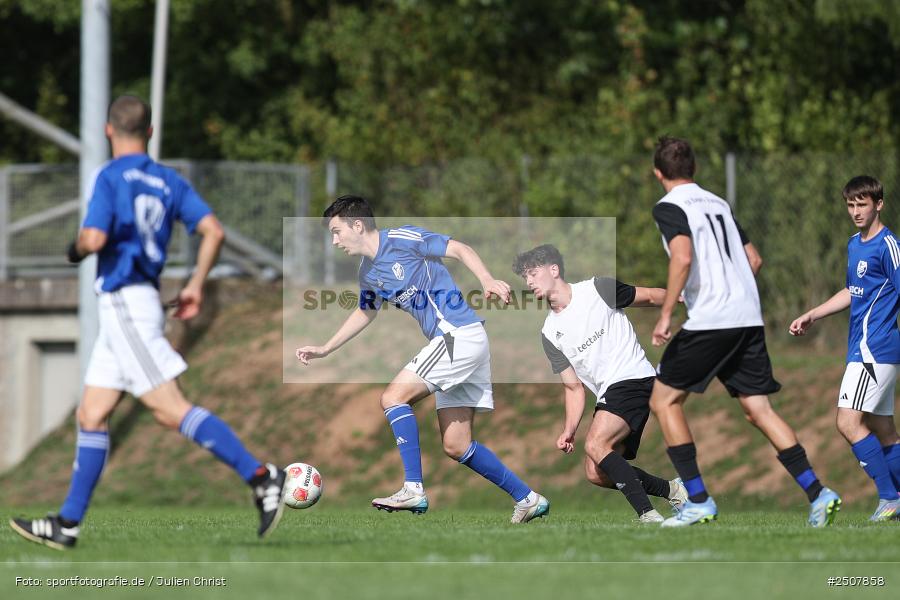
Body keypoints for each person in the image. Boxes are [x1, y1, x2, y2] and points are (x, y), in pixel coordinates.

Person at [9, 95, 286, 550]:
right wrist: (196, 283)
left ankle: (260, 475)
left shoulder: (111, 176)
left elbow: (94, 237)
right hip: (137, 302)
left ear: (107, 130)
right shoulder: (167, 181)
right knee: (92, 414)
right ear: (151, 132)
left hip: (124, 304)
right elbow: (213, 230)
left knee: (168, 407)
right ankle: (68, 523)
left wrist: (74, 250)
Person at [296, 196, 549, 523]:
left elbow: (459, 249)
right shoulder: (369, 272)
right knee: (457, 445)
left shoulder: (403, 239)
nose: (334, 241)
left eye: (336, 231)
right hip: (459, 342)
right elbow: (366, 311)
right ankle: (528, 498)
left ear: (357, 225)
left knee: (392, 397)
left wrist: (487, 279)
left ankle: (413, 488)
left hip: (457, 336)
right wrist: (326, 348)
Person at [648, 135, 840, 527]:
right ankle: (819, 493)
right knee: (759, 409)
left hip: (712, 321)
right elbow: (754, 258)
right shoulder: (719, 203)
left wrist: (667, 312)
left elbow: (682, 256)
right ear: (694, 169)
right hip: (747, 318)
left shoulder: (669, 206)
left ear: (658, 173)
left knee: (664, 401)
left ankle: (698, 500)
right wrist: (730, 287)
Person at [512, 244, 688, 523]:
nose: (529, 281)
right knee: (596, 473)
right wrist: (569, 429)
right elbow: (572, 387)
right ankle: (675, 490)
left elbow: (651, 296)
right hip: (610, 393)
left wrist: (682, 297)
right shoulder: (549, 333)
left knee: (595, 443)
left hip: (634, 377)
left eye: (533, 273)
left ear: (554, 269)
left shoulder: (597, 289)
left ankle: (648, 515)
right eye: (525, 277)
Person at [789, 175, 900, 521]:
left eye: (862, 204)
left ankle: (889, 499)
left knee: (848, 422)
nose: (855, 211)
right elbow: (852, 292)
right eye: (851, 205)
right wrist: (813, 314)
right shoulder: (854, 244)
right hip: (863, 349)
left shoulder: (889, 245)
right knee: (883, 430)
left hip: (875, 349)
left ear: (878, 204)